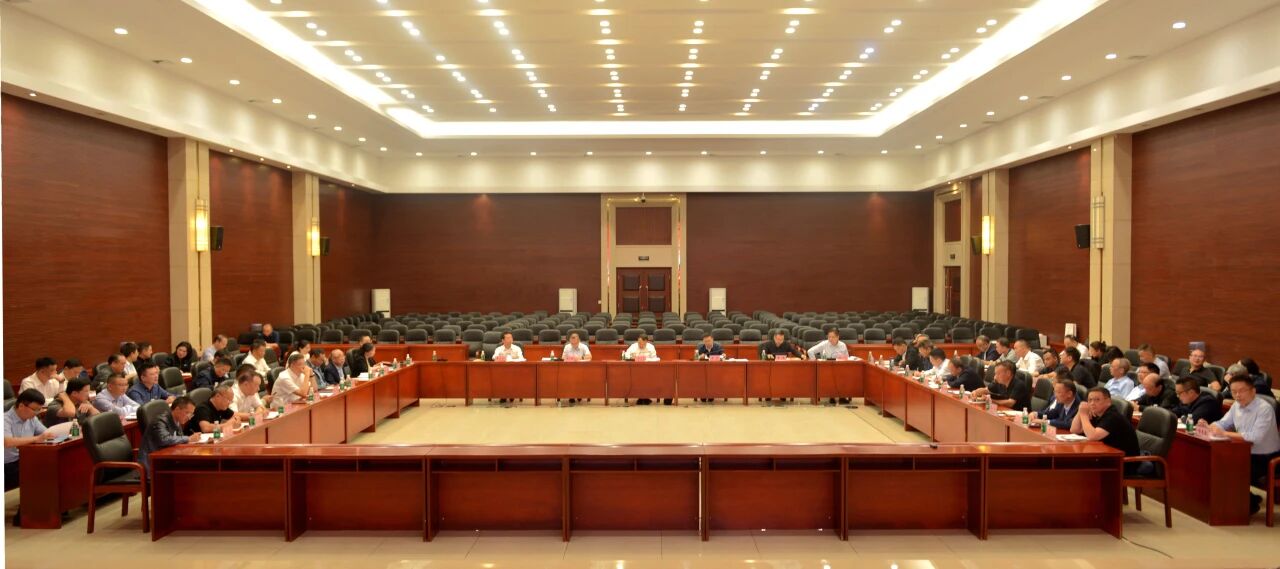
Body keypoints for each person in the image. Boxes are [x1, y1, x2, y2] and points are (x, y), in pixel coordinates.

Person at [1205, 373, 1280, 515]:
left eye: (1241, 391)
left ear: (1253, 391)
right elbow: (1223, 423)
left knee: (1230, 468)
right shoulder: (1236, 405)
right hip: (1243, 451)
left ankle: (1248, 505)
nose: (1237, 395)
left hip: (1265, 456)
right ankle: (1248, 499)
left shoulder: (1264, 409)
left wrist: (1225, 434)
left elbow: (1255, 437)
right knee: (1216, 462)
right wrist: (1210, 426)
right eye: (1234, 392)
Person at [4, 390, 56, 508]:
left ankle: (52, 508)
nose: (37, 413)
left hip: (24, 459)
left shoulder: (32, 418)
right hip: (7, 465)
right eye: (35, 409)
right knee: (39, 472)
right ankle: (27, 512)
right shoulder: (4, 420)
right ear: (21, 406)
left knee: (53, 466)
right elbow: (7, 442)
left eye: (39, 410)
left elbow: (45, 433)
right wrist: (36, 439)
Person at [1072, 386, 1142, 473]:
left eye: (1097, 400)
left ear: (1108, 401)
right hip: (1108, 456)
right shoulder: (1097, 412)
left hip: (1124, 462)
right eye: (1090, 400)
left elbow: (1093, 436)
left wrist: (1083, 415)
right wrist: (1080, 411)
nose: (1092, 403)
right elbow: (1074, 430)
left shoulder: (1113, 416)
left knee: (1077, 466)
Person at [137, 396, 201, 473]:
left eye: (191, 414)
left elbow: (178, 439)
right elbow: (164, 439)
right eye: (187, 413)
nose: (189, 417)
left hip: (165, 459)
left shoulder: (177, 420)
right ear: (177, 409)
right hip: (152, 465)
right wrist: (188, 438)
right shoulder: (160, 421)